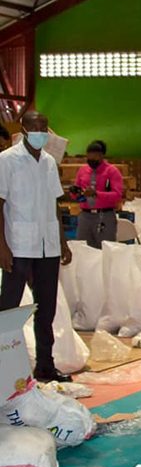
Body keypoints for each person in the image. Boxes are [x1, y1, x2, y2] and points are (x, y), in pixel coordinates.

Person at [0, 111, 72, 383]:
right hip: (18, 244)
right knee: (8, 306)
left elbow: (54, 203)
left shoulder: (49, 163)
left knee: (46, 309)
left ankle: (45, 366)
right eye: (35, 126)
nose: (40, 130)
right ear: (23, 128)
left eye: (44, 126)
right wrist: (2, 246)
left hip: (48, 246)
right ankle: (4, 366)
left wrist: (63, 241)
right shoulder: (6, 161)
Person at [73, 140, 124, 249]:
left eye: (94, 158)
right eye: (89, 158)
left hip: (104, 216)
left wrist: (97, 194)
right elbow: (77, 192)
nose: (91, 161)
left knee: (105, 251)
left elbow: (117, 195)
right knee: (83, 250)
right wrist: (75, 192)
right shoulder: (82, 170)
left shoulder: (112, 171)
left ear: (101, 156)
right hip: (85, 216)